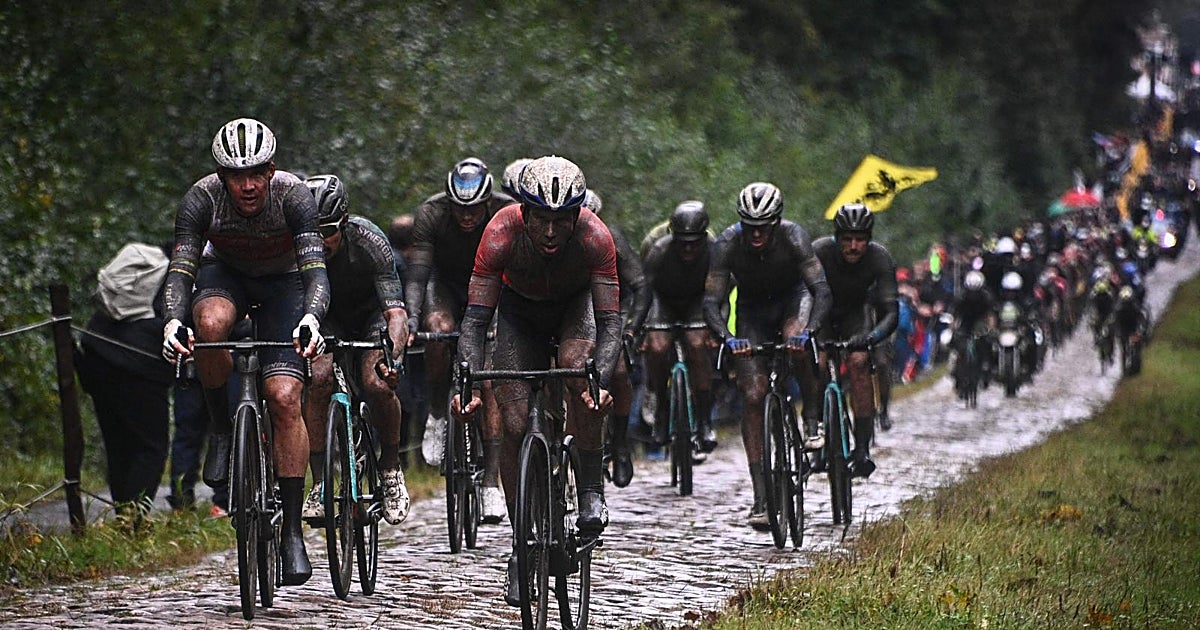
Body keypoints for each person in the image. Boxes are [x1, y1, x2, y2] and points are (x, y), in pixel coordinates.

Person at [161, 117, 330, 586]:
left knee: (284, 397)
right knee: (209, 324)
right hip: (225, 275)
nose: (249, 185)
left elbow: (316, 271)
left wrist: (312, 317)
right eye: (237, 176)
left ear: (272, 170)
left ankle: (291, 531)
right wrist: (173, 319)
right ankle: (222, 430)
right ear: (221, 176)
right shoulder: (201, 199)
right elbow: (181, 270)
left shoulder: (295, 196)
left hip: (285, 284)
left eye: (257, 173)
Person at [452, 155, 619, 606]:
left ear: (577, 216)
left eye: (561, 221)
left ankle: (590, 489)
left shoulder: (595, 237)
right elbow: (475, 322)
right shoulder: (499, 234)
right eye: (541, 219)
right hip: (519, 315)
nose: (549, 231)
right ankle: (521, 544)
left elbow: (610, 323)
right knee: (513, 421)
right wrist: (467, 386)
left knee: (579, 372)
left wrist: (601, 383)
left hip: (574, 309)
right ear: (523, 212)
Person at [703, 182, 831, 529]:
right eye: (750, 226)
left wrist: (810, 331)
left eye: (763, 226)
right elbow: (711, 301)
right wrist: (728, 338)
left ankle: (812, 417)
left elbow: (820, 290)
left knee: (796, 340)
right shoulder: (727, 243)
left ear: (776, 222)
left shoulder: (794, 237)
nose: (756, 234)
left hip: (793, 300)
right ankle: (761, 497)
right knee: (753, 394)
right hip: (753, 311)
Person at [404, 157, 515, 523]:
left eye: (474, 209)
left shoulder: (507, 213)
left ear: (488, 202)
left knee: (488, 374)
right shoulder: (431, 214)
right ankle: (437, 413)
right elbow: (418, 275)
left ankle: (491, 482)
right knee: (438, 329)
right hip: (447, 287)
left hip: (493, 287)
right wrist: (410, 318)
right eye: (459, 209)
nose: (467, 217)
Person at [299, 174, 412, 525]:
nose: (319, 241)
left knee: (376, 383)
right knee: (318, 379)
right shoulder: (295, 243)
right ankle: (320, 482)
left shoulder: (369, 241)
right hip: (325, 319)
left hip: (370, 317)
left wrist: (394, 358)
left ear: (344, 222)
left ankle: (390, 468)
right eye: (312, 231)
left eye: (327, 231)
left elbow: (396, 313)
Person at [76, 242, 173, 519]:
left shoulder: (141, 268)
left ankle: (124, 516)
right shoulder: (176, 279)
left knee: (118, 445)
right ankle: (134, 519)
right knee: (151, 448)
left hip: (96, 355)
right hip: (140, 367)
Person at [809, 203, 898, 478]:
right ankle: (814, 428)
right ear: (836, 238)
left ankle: (861, 448)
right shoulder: (819, 252)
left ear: (869, 239)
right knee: (818, 363)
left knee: (860, 362)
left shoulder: (879, 258)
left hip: (855, 316)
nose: (854, 246)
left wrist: (871, 338)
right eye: (847, 239)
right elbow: (801, 296)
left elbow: (891, 312)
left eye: (860, 240)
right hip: (821, 315)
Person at [629, 201, 718, 463]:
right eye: (682, 243)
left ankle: (704, 420)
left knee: (697, 345)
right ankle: (660, 408)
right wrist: (639, 330)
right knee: (657, 347)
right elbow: (644, 293)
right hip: (663, 300)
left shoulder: (715, 250)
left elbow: (719, 294)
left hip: (697, 301)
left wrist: (717, 330)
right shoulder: (657, 249)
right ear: (672, 237)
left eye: (694, 243)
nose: (688, 249)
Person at [583, 188, 645, 488]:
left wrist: (630, 327)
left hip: (608, 312)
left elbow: (640, 286)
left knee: (618, 372)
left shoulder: (611, 239)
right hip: (568, 313)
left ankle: (620, 443)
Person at [949, 269, 996, 395]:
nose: (973, 295)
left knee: (987, 344)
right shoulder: (960, 297)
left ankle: (986, 368)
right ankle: (957, 369)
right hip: (965, 323)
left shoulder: (986, 296)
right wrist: (952, 329)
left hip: (980, 323)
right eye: (971, 292)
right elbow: (955, 315)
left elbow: (990, 315)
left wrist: (990, 329)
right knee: (958, 345)